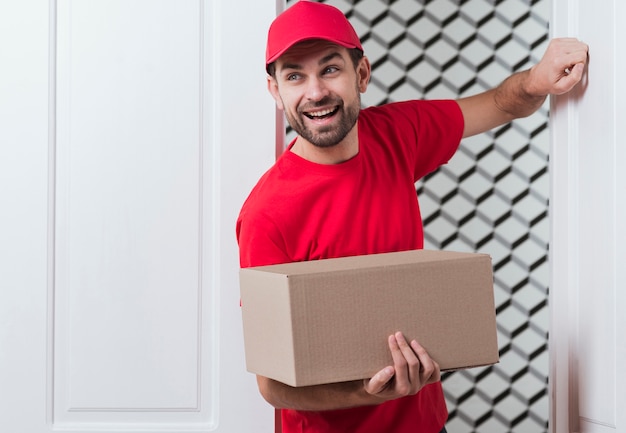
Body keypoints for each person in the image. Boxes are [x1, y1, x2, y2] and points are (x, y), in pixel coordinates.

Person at [236, 1, 589, 432]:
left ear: (361, 73)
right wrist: (367, 391)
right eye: (294, 76)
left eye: (330, 69)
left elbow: (500, 103)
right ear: (275, 91)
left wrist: (538, 79)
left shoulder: (396, 134)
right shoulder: (267, 215)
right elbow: (273, 386)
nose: (315, 92)